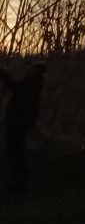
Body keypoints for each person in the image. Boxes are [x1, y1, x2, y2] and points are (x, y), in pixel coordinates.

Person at [1, 61, 46, 192]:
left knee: (15, 152)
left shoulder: (32, 83)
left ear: (36, 71)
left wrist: (4, 74)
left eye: (31, 68)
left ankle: (19, 181)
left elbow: (14, 86)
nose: (28, 69)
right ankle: (20, 178)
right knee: (17, 151)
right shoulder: (34, 83)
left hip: (18, 123)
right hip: (21, 123)